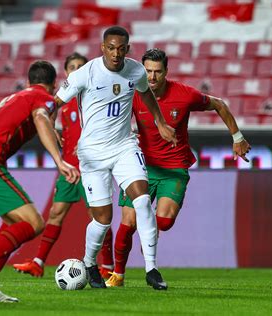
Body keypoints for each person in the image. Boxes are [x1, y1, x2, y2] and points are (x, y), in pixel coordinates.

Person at [105, 48, 252, 287]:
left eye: (157, 72)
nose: (151, 78)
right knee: (128, 222)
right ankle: (118, 275)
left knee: (163, 222)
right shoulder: (132, 94)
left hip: (174, 167)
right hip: (140, 167)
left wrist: (237, 137)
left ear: (166, 72)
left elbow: (220, 104)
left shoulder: (185, 95)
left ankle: (150, 230)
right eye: (148, 72)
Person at [54, 26, 177, 290]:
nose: (116, 53)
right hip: (93, 155)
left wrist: (160, 121)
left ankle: (152, 269)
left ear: (127, 49)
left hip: (124, 147)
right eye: (111, 48)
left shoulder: (135, 71)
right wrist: (47, 128)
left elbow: (145, 93)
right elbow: (55, 103)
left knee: (143, 200)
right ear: (102, 48)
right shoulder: (84, 74)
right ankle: (89, 263)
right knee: (102, 219)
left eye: (121, 48)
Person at [0, 60, 80, 303]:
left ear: (27, 82)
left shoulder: (16, 96)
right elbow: (42, 117)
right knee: (34, 223)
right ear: (53, 86)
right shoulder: (42, 97)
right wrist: (59, 161)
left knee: (13, 221)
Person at [12, 53, 115, 279]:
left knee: (99, 217)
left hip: (91, 167)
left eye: (81, 66)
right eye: (72, 67)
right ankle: (38, 262)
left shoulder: (95, 97)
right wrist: (53, 130)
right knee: (56, 214)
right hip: (69, 167)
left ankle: (108, 267)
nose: (76, 70)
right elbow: (47, 115)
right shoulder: (64, 102)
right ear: (66, 73)